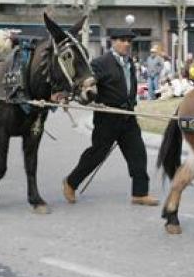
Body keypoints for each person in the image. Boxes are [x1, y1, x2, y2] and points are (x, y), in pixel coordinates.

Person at [63, 28, 159, 206]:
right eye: (122, 40)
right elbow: (87, 85)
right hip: (107, 117)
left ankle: (140, 193)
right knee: (97, 154)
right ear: (112, 42)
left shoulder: (129, 62)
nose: (127, 44)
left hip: (127, 116)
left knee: (138, 154)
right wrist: (88, 88)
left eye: (129, 41)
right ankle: (70, 182)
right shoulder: (100, 63)